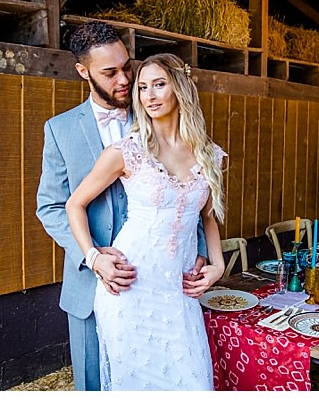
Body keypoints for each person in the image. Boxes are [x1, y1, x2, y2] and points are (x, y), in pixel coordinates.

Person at [36, 22, 208, 391]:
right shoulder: (60, 129)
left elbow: (189, 193)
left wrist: (203, 255)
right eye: (110, 72)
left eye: (127, 67)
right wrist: (93, 256)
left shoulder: (156, 110)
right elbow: (52, 206)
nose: (126, 80)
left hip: (164, 281)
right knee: (95, 386)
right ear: (84, 72)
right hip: (90, 283)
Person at [66, 53, 227, 390]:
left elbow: (208, 216)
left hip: (180, 293)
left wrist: (218, 264)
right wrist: (94, 257)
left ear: (179, 88)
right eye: (142, 88)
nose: (149, 95)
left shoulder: (209, 155)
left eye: (159, 84)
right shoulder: (126, 152)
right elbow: (74, 204)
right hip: (130, 291)